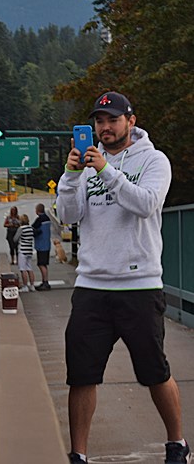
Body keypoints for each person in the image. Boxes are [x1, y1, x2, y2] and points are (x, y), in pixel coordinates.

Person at [57, 91, 188, 464]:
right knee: (81, 375)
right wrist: (70, 175)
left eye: (113, 120)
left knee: (154, 371)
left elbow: (147, 204)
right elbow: (68, 215)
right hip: (91, 285)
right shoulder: (84, 165)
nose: (105, 127)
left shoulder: (153, 160)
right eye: (99, 121)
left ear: (131, 121)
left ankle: (176, 443)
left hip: (139, 285)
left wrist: (105, 171)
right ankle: (79, 454)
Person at [32, 203, 52, 291]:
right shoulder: (47, 218)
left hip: (41, 245)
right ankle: (45, 281)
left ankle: (45, 282)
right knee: (44, 264)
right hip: (47, 244)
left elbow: (34, 228)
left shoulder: (39, 220)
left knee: (41, 264)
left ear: (37, 210)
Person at [14, 213, 36, 292]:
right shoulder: (30, 228)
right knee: (29, 268)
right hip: (29, 250)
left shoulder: (21, 228)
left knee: (23, 269)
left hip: (22, 250)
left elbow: (15, 239)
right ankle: (32, 285)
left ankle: (25, 286)